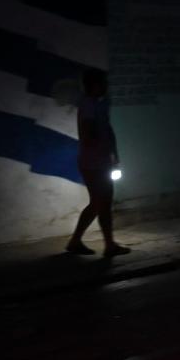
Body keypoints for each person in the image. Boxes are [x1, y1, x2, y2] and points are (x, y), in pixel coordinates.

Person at [66, 69, 131, 256]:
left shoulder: (97, 105)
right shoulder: (88, 106)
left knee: (99, 202)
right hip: (94, 163)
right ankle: (106, 244)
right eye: (104, 83)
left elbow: (106, 129)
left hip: (98, 161)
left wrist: (113, 152)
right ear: (95, 85)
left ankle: (79, 241)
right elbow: (89, 133)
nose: (106, 87)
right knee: (101, 202)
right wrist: (104, 149)